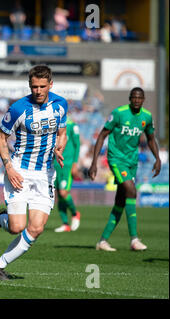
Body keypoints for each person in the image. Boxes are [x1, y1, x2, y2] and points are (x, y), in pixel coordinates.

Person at [0, 65, 68, 280]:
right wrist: (9, 167)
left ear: (50, 84)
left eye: (42, 86)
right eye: (34, 87)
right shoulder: (18, 108)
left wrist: (60, 146)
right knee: (16, 227)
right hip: (20, 170)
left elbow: (62, 132)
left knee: (36, 228)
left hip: (46, 174)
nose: (38, 91)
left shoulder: (60, 105)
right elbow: (1, 138)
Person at [89, 87, 161, 251]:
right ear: (130, 98)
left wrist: (157, 158)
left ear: (143, 100)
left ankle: (103, 241)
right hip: (116, 159)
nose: (137, 100)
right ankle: (134, 239)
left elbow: (150, 139)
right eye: (134, 97)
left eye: (140, 98)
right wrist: (94, 163)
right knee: (131, 190)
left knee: (121, 201)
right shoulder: (119, 113)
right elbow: (102, 135)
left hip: (132, 162)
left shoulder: (146, 116)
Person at [54, 117, 81, 232]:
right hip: (54, 165)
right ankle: (65, 224)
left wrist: (75, 164)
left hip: (67, 164)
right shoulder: (51, 123)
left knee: (63, 192)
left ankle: (75, 214)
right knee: (58, 196)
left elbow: (77, 145)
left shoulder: (71, 125)